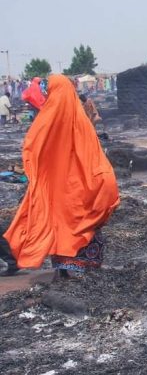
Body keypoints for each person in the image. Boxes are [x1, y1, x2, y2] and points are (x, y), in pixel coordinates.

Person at [4, 75, 119, 279]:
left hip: (60, 189)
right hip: (82, 187)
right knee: (78, 227)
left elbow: (33, 148)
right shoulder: (78, 119)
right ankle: (77, 269)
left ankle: (68, 269)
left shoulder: (48, 120)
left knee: (63, 226)